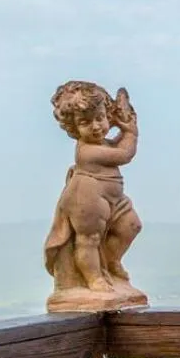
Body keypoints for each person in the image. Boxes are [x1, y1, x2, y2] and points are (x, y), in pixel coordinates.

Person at [44, 81, 145, 304]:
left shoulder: (104, 143)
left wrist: (125, 125)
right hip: (87, 196)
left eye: (100, 118)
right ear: (73, 128)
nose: (96, 127)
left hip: (115, 199)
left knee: (131, 226)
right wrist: (131, 131)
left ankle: (111, 260)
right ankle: (93, 278)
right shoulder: (87, 151)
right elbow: (125, 154)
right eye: (85, 122)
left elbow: (117, 145)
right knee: (88, 238)